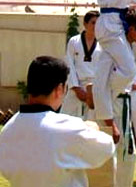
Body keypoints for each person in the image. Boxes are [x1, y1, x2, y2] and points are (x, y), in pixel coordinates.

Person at [0, 56, 115, 187]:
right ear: (59, 89)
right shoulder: (68, 128)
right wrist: (92, 128)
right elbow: (106, 148)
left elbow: (6, 171)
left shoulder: (8, 130)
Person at [93, 8, 136, 187]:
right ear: (131, 29)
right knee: (110, 155)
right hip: (111, 107)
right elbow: (99, 88)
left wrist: (132, 37)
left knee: (128, 155)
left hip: (123, 103)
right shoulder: (109, 52)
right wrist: (110, 123)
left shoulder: (128, 49)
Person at [61, 10, 101, 119]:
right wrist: (76, 88)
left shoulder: (103, 43)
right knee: (66, 118)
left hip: (94, 87)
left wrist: (94, 88)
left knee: (92, 122)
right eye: (93, 22)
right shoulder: (74, 41)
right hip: (76, 86)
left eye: (98, 23)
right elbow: (69, 65)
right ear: (85, 24)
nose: (95, 26)